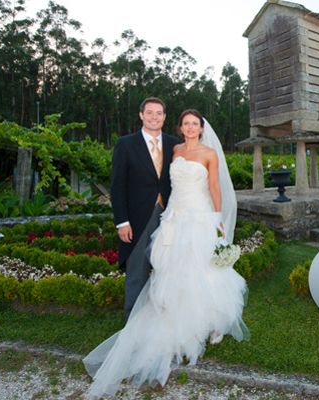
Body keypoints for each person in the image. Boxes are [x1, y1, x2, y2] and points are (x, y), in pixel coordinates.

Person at [84, 109, 249, 398]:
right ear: (180, 127)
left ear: (201, 127)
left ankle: (209, 321)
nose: (190, 127)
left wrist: (217, 219)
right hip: (173, 216)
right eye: (185, 123)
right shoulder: (174, 148)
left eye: (194, 123)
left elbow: (213, 187)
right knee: (169, 270)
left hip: (198, 216)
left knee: (201, 270)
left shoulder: (209, 153)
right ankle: (170, 317)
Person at [110, 97, 180, 318]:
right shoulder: (126, 144)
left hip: (169, 214)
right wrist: (122, 221)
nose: (154, 117)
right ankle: (133, 321)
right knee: (137, 268)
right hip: (138, 216)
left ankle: (163, 317)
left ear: (164, 117)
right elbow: (117, 185)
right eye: (149, 112)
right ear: (141, 115)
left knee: (167, 268)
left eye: (159, 113)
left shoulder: (174, 144)